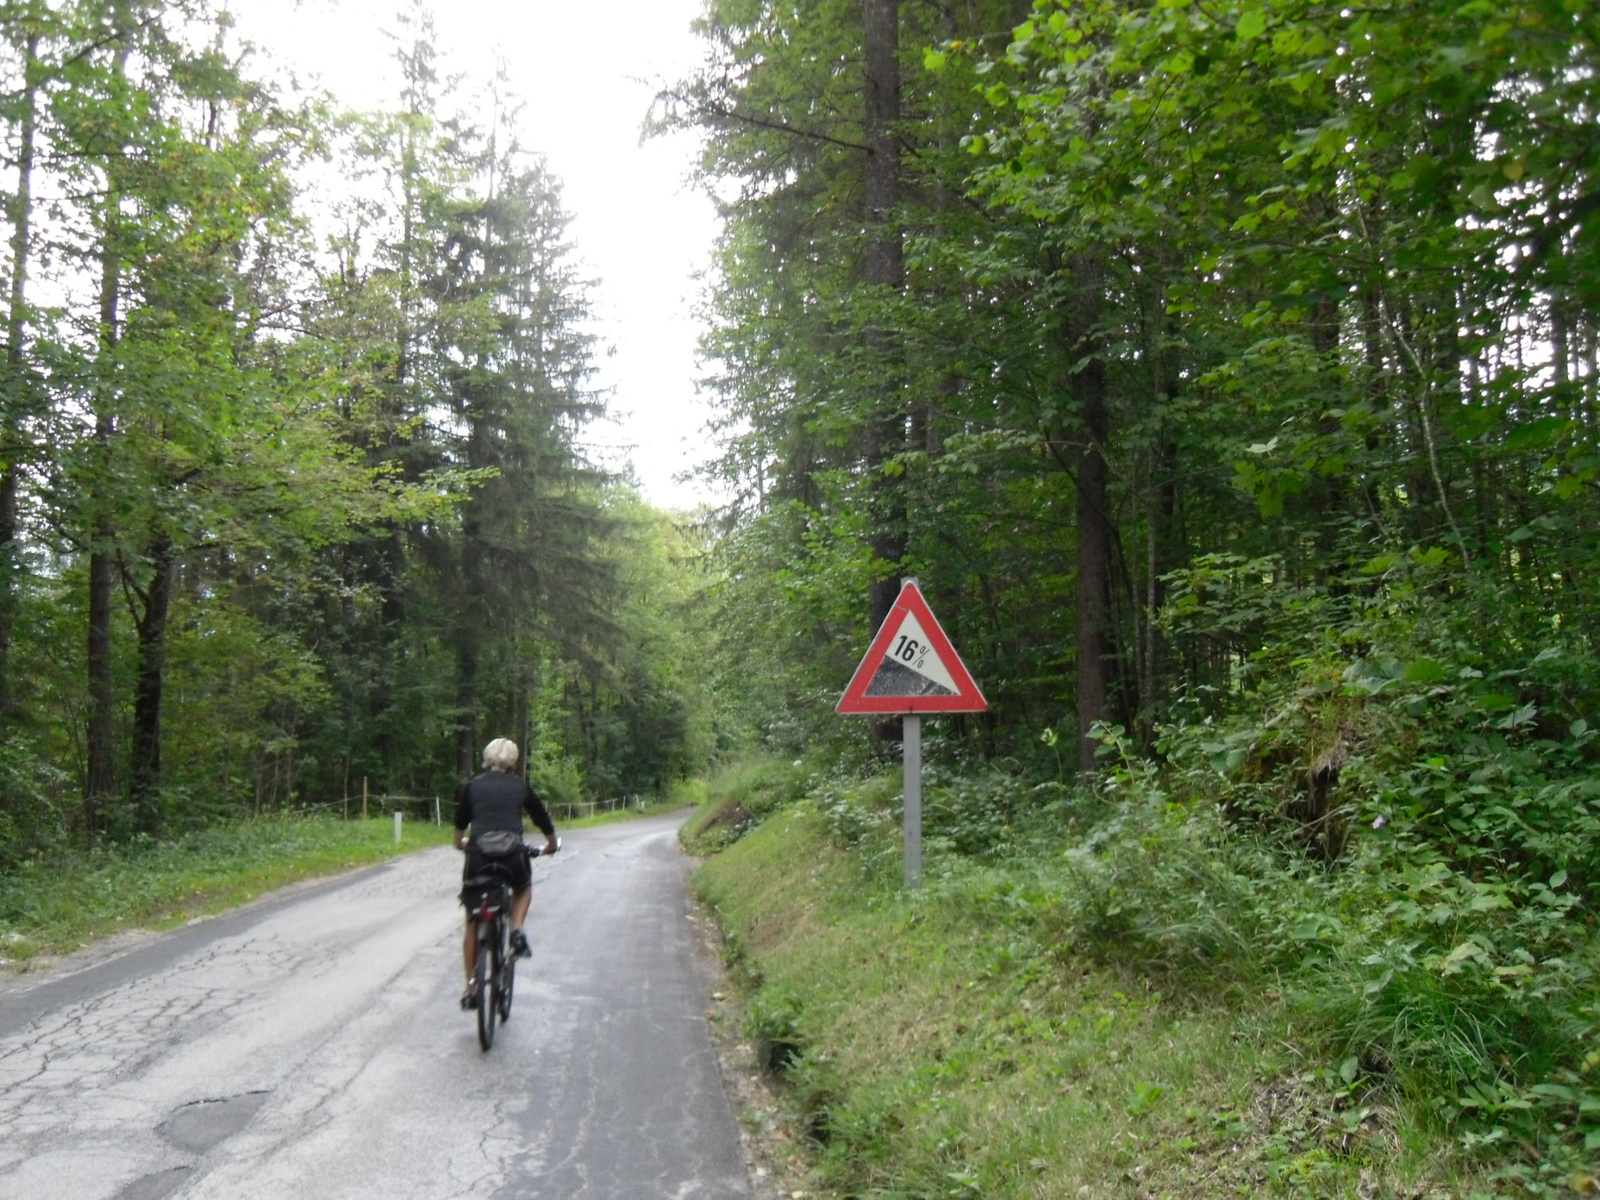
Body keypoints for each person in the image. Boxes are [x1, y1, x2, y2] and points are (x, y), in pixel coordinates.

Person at [452, 737, 558, 1009]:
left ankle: (471, 989)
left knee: (473, 921)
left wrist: (462, 844)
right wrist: (550, 844)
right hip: (512, 855)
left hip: (478, 857)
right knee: (523, 888)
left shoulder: (472, 786)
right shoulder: (520, 786)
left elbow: (459, 829)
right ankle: (518, 931)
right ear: (513, 762)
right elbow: (541, 817)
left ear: (487, 760)